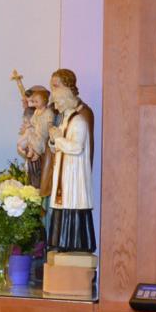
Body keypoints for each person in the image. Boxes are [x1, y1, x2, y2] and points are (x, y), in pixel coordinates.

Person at [45, 68, 95, 252]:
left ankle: (73, 244)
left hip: (73, 173)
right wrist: (53, 140)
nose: (55, 104)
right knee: (62, 205)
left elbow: (77, 147)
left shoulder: (79, 120)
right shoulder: (65, 120)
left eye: (56, 88)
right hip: (64, 171)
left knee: (72, 204)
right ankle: (60, 242)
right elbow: (58, 145)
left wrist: (58, 139)